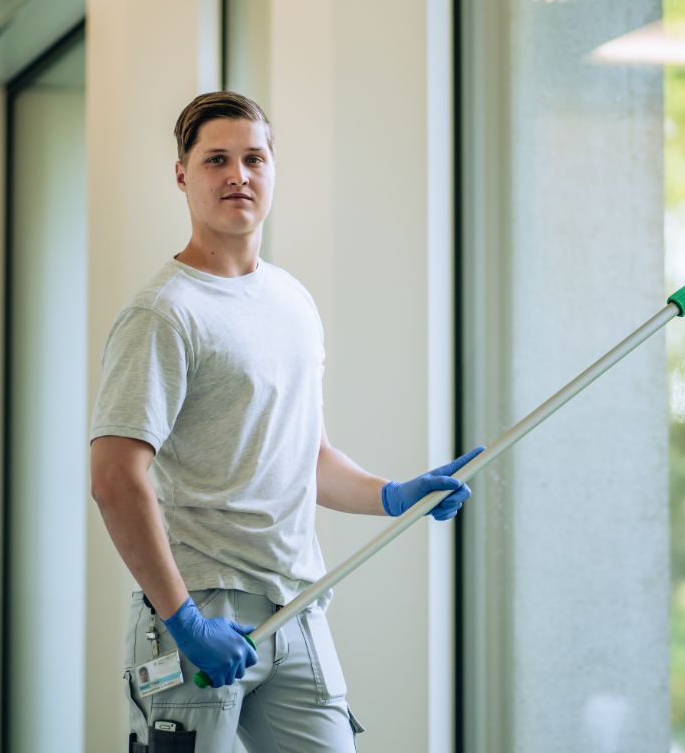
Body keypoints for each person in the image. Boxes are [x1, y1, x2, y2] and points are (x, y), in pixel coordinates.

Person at [89, 91, 482, 752]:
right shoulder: (165, 313)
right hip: (199, 608)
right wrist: (181, 619)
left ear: (273, 169)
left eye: (253, 158)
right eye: (216, 159)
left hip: (297, 604)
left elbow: (305, 456)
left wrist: (393, 495)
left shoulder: (292, 302)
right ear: (182, 175)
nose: (238, 175)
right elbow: (114, 477)